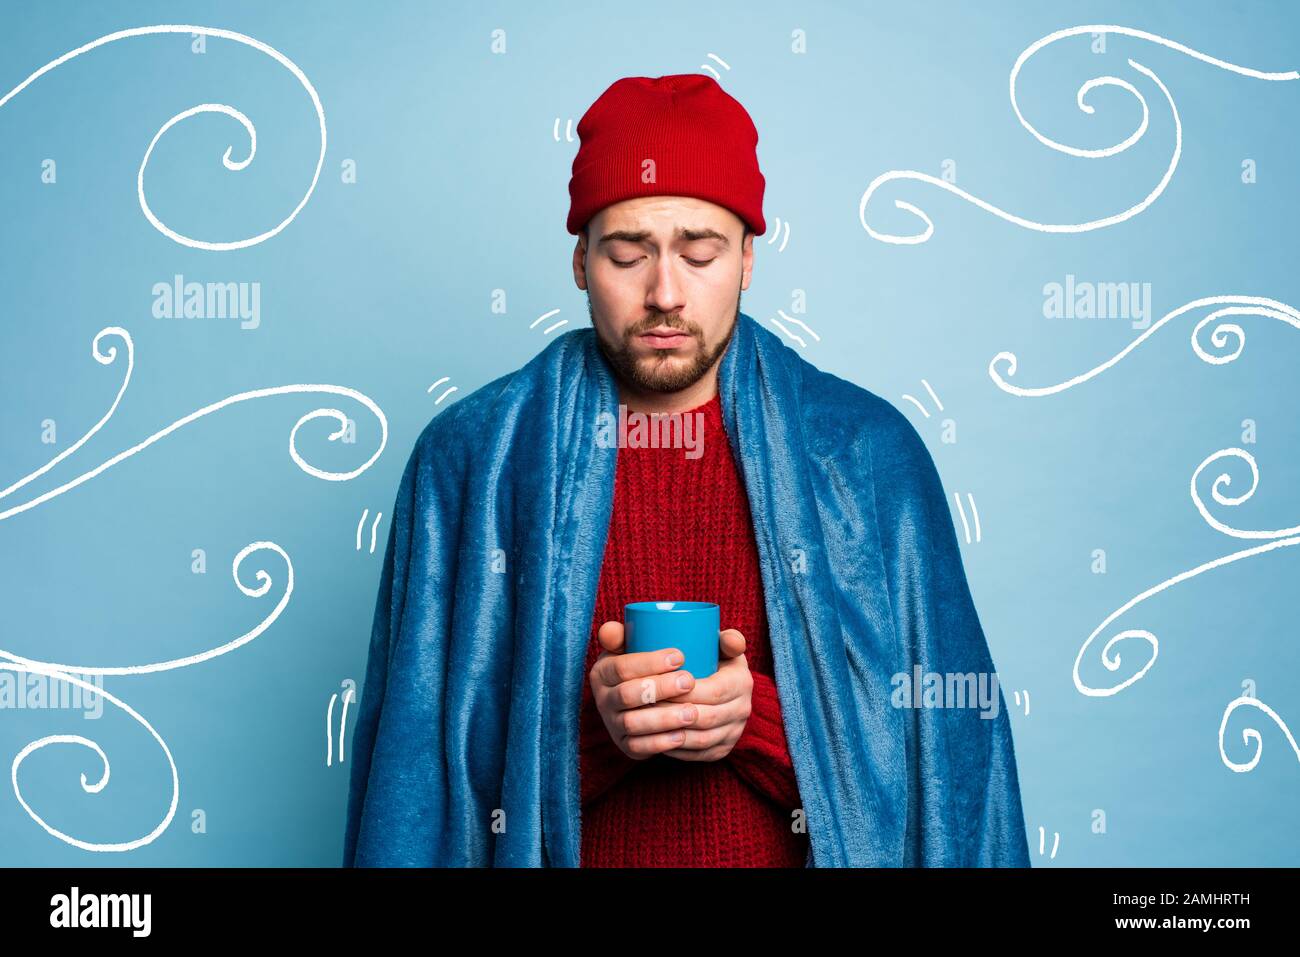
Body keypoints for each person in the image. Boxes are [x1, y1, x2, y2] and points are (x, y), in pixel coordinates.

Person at [343, 74, 1031, 868]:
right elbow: (421, 785)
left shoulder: (867, 457)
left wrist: (763, 721)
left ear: (746, 258)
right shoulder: (472, 460)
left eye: (699, 252)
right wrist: (595, 734)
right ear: (579, 262)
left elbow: (950, 774)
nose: (664, 293)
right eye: (628, 254)